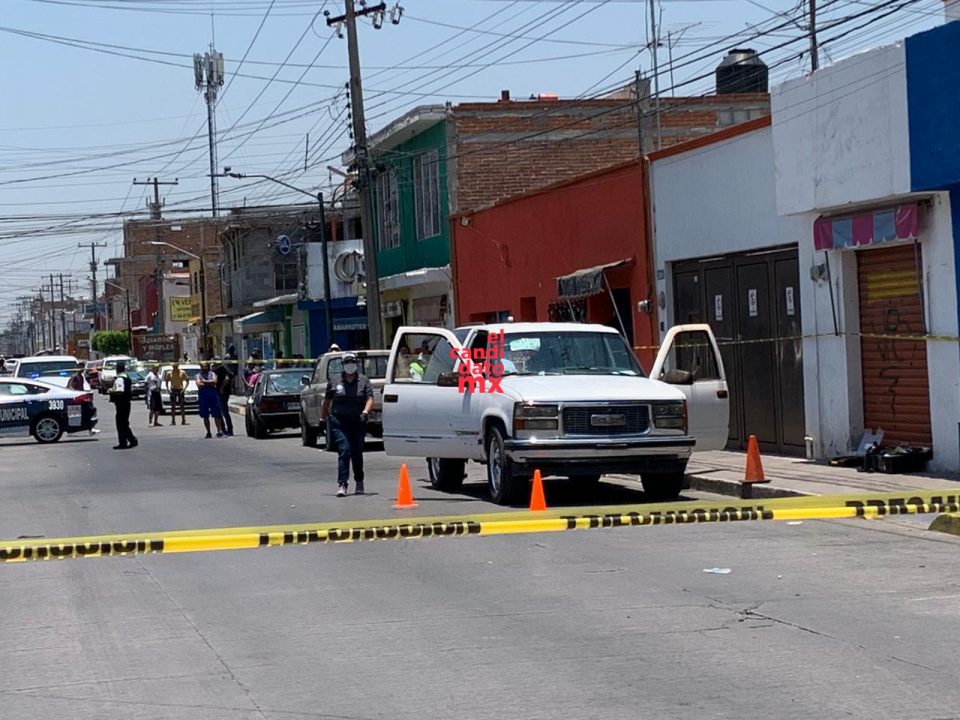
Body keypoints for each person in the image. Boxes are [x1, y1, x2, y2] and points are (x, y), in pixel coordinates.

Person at [321, 352, 373, 497]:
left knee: (357, 452)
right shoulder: (335, 381)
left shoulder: (363, 380)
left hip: (358, 421)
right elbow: (326, 402)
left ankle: (359, 481)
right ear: (343, 365)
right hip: (340, 422)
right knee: (344, 450)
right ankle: (342, 484)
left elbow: (370, 398)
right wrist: (322, 419)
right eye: (347, 362)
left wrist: (365, 412)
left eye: (352, 362)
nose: (350, 365)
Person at [108, 360, 138, 450]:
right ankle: (131, 440)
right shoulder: (126, 377)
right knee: (124, 423)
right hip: (125, 403)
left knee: (121, 423)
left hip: (122, 403)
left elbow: (120, 391)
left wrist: (111, 391)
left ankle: (124, 442)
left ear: (117, 369)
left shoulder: (120, 379)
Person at [196, 360, 226, 438]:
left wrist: (204, 382)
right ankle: (208, 432)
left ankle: (219, 431)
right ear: (201, 368)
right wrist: (209, 383)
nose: (204, 368)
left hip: (213, 396)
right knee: (205, 416)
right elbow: (199, 384)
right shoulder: (198, 375)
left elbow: (215, 381)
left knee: (217, 415)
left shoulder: (212, 374)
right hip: (203, 397)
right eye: (203, 367)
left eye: (206, 366)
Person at [214, 358, 235, 437]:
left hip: (221, 393)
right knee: (224, 412)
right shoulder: (226, 369)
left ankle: (225, 430)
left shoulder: (220, 369)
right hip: (225, 393)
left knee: (222, 412)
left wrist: (222, 388)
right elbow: (232, 378)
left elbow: (226, 379)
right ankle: (229, 430)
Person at [166, 361, 188, 425]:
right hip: (173, 390)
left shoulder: (182, 372)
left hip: (180, 390)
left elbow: (187, 380)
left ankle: (183, 420)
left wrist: (184, 389)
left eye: (176, 366)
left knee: (182, 406)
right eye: (174, 366)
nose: (175, 367)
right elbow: (166, 381)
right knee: (173, 406)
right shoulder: (169, 373)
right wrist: (168, 389)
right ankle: (173, 421)